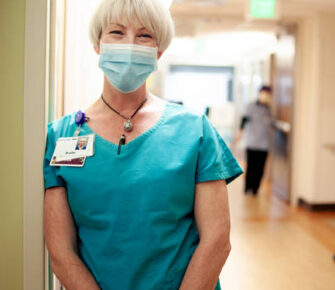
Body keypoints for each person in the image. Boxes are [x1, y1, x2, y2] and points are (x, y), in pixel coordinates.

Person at [43, 1, 243, 289]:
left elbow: (217, 241)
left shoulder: (195, 130)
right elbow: (61, 252)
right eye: (116, 32)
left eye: (144, 35)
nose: (129, 43)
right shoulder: (61, 136)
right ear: (97, 43)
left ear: (159, 51)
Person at [235, 85, 273, 195]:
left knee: (260, 168)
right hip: (252, 142)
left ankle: (256, 189)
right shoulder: (251, 106)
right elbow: (244, 119)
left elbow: (271, 122)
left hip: (264, 144)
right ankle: (247, 188)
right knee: (251, 167)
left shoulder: (268, 109)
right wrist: (240, 133)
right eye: (264, 93)